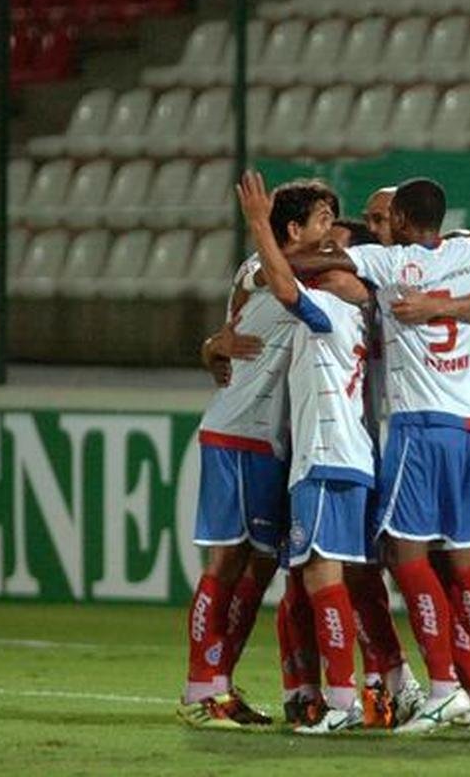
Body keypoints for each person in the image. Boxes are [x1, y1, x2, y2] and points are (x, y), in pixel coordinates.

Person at [293, 177, 470, 733]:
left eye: (381, 219)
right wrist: (454, 305)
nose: (376, 229)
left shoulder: (385, 264)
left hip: (423, 424)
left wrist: (271, 239)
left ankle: (444, 687)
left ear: (397, 220)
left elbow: (304, 263)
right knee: (463, 556)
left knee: (403, 555)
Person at [175, 178, 338, 731]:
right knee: (227, 562)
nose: (333, 232)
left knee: (260, 563)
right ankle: (201, 687)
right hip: (239, 432)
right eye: (322, 220)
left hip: (268, 439)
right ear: (292, 230)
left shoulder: (284, 273)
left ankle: (220, 680)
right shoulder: (268, 273)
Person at [238, 170, 379, 735]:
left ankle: (342, 701)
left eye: (336, 248)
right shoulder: (351, 311)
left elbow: (282, 284)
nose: (326, 250)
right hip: (348, 455)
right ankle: (333, 696)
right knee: (323, 579)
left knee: (321, 580)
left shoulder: (331, 311)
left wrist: (256, 224)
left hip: (323, 455)